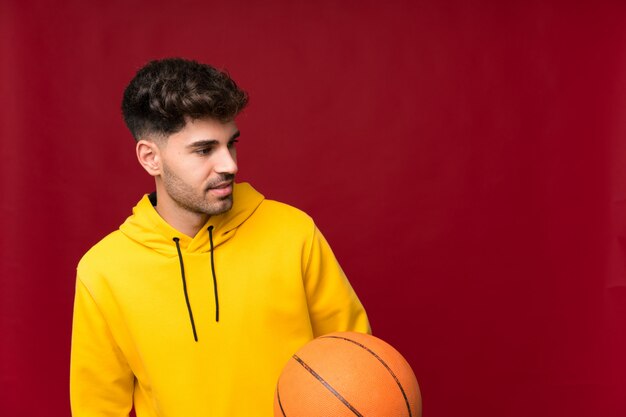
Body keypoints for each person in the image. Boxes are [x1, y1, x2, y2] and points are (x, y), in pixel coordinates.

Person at [69, 58, 370, 417]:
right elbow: (97, 408)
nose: (230, 165)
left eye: (231, 144)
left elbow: (358, 368)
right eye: (204, 149)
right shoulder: (103, 271)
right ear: (151, 158)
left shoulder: (293, 232)